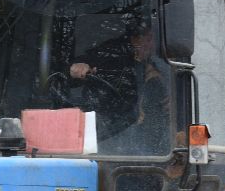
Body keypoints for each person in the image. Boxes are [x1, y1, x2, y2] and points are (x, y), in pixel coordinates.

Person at [69, 26, 170, 154]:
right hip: (103, 126)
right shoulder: (109, 52)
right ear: (135, 38)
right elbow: (76, 70)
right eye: (148, 39)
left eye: (153, 41)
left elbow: (161, 98)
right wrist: (78, 66)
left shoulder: (149, 66)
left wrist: (166, 94)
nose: (152, 46)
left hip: (132, 129)